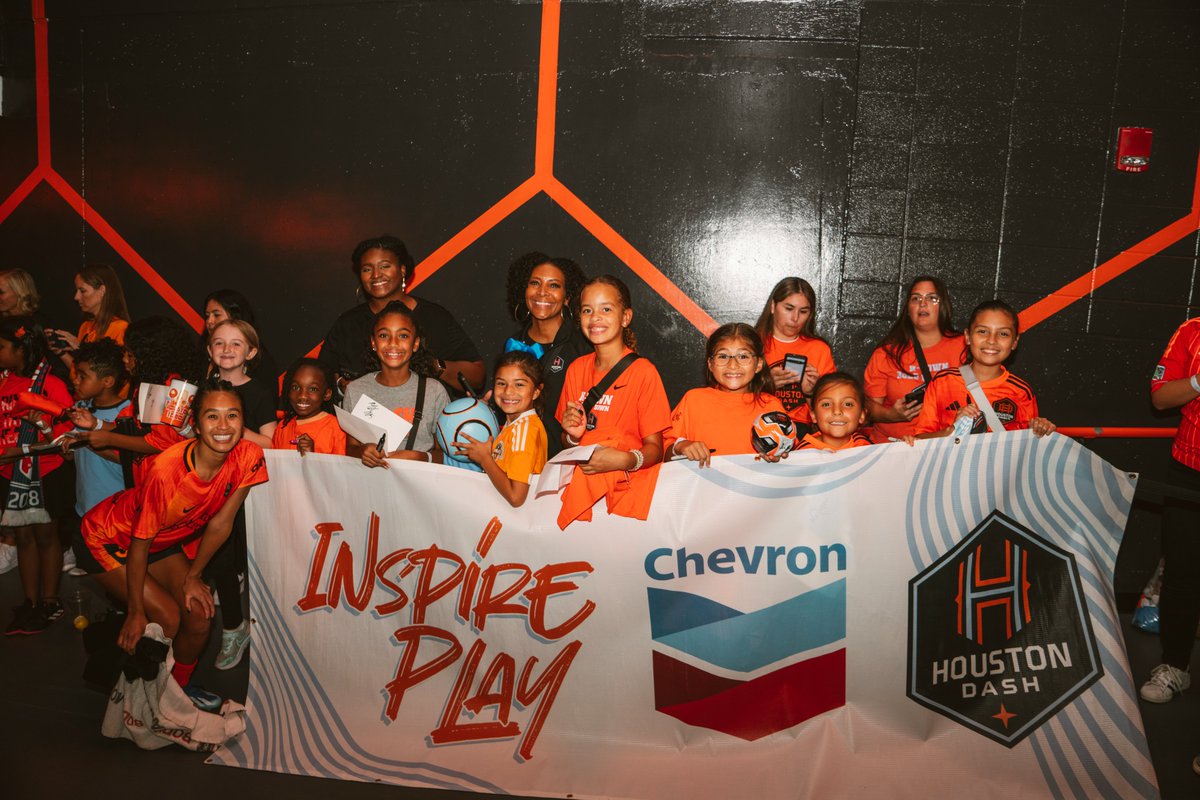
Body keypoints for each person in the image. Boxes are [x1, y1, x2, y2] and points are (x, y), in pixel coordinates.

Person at [74, 379, 268, 710]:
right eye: (212, 416)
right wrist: (136, 610)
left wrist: (194, 575)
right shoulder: (168, 472)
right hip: (107, 538)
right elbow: (139, 544)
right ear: (195, 423)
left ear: (242, 421)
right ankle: (125, 683)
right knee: (167, 618)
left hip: (160, 540)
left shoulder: (250, 455)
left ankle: (175, 692)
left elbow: (221, 523)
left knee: (199, 617)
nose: (223, 426)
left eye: (232, 416)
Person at [557, 275, 670, 529]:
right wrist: (574, 436)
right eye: (587, 310)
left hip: (626, 495)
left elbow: (656, 448)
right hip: (584, 494)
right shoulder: (576, 369)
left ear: (626, 317)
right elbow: (567, 442)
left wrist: (625, 460)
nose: (595, 317)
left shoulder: (643, 372)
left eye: (606, 309)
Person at [320, 235, 484, 394]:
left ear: (402, 270)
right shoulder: (348, 324)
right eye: (367, 269)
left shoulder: (434, 317)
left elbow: (477, 376)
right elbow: (321, 375)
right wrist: (341, 385)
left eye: (385, 266)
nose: (376, 275)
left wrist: (433, 365)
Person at [68, 316, 208, 488]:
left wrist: (109, 439)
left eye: (130, 354)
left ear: (149, 356)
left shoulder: (169, 387)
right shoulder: (150, 384)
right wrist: (96, 424)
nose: (125, 359)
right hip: (147, 480)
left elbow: (160, 443)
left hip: (166, 483)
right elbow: (136, 431)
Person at [1139, 316, 1200, 705]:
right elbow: (1160, 398)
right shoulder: (1192, 331)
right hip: (1189, 469)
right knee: (1183, 572)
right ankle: (1175, 666)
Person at [0, 318, 74, 634]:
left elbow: (66, 436)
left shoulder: (51, 384)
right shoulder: (3, 382)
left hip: (45, 474)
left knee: (46, 536)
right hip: (8, 474)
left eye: (2, 347)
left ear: (21, 350)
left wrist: (27, 449)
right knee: (23, 537)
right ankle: (29, 602)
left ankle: (49, 600)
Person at [911, 300, 1056, 439]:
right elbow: (921, 439)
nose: (992, 340)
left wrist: (1039, 430)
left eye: (1003, 333)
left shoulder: (1021, 392)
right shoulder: (943, 382)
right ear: (968, 336)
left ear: (1014, 342)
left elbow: (1024, 450)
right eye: (982, 331)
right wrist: (952, 430)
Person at [502, 252, 591, 456]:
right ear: (523, 290)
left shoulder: (582, 349)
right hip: (516, 461)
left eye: (553, 285)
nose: (542, 292)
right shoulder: (512, 345)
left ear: (568, 297)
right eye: (535, 283)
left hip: (561, 464)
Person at [343, 301, 451, 467]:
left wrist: (420, 457)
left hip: (418, 488)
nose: (393, 343)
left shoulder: (434, 391)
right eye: (384, 335)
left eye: (403, 335)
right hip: (371, 488)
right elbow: (350, 449)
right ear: (373, 343)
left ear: (415, 344)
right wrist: (362, 452)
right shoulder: (355, 391)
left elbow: (445, 455)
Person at [667, 322, 784, 468]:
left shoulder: (771, 406)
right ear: (710, 364)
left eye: (743, 356)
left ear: (759, 364)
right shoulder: (694, 400)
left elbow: (791, 454)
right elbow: (664, 451)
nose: (733, 365)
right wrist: (681, 446)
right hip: (705, 488)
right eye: (723, 356)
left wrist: (781, 455)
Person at [863, 276, 964, 443]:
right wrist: (891, 415)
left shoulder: (963, 347)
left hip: (943, 445)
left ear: (943, 306)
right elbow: (869, 407)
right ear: (908, 310)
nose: (923, 303)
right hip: (893, 446)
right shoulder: (887, 353)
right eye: (916, 298)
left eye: (932, 298)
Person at [456, 352, 548, 507]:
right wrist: (482, 414)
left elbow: (516, 497)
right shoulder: (515, 424)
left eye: (519, 384)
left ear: (536, 392)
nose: (508, 391)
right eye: (501, 383)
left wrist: (485, 459)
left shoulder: (524, 431)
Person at [755, 277, 835, 432]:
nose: (795, 318)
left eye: (803, 311)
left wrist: (812, 393)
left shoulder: (819, 349)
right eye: (789, 308)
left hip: (803, 430)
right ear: (773, 306)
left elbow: (831, 413)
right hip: (758, 425)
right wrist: (764, 384)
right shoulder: (751, 344)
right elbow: (729, 401)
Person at [68, 339, 131, 526]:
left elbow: (128, 460)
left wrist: (86, 441)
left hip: (115, 509)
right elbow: (71, 457)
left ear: (107, 381)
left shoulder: (127, 413)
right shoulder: (81, 407)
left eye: (82, 376)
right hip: (85, 506)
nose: (75, 381)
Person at [207, 319, 278, 449]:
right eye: (219, 343)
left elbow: (270, 444)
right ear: (210, 351)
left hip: (245, 465)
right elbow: (200, 437)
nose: (226, 349)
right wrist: (184, 429)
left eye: (236, 344)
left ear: (250, 353)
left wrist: (238, 430)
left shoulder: (260, 393)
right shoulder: (204, 389)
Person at [45, 264, 131, 371]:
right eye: (77, 291)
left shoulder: (120, 328)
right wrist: (61, 353)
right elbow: (81, 374)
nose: (76, 297)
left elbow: (111, 376)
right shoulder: (85, 327)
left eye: (82, 291)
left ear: (102, 290)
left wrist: (81, 348)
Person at [200, 289, 279, 384]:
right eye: (207, 315)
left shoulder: (262, 364)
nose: (209, 321)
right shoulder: (201, 352)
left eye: (216, 315)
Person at [272, 358, 346, 456]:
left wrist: (312, 457)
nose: (302, 396)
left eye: (313, 389)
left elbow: (341, 470)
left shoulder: (337, 429)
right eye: (295, 387)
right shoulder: (282, 427)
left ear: (327, 394)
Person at [795, 373, 873, 452]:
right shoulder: (803, 454)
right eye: (826, 404)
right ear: (813, 415)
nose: (837, 411)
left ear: (862, 415)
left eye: (848, 404)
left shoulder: (865, 446)